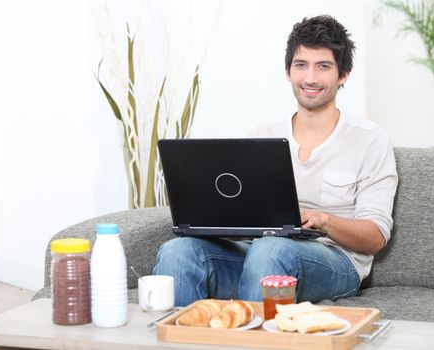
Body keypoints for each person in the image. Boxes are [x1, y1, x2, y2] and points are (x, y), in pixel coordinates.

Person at [153, 15, 398, 306]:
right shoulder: (263, 135)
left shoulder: (370, 139)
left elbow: (375, 237)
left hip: (335, 263)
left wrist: (323, 219)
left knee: (272, 249)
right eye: (301, 65)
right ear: (288, 72)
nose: (310, 78)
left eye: (323, 67)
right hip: (259, 256)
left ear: (342, 75)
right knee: (177, 251)